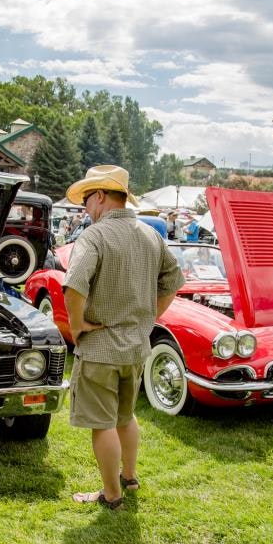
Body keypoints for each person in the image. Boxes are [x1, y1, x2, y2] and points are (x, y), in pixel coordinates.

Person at [63, 165, 184, 511]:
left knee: (102, 425)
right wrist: (150, 317)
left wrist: (77, 325)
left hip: (101, 348)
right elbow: (174, 281)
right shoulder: (151, 234)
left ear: (100, 196)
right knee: (125, 417)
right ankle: (129, 478)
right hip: (136, 346)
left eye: (87, 200)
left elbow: (73, 285)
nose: (86, 208)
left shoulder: (94, 236)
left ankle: (111, 494)